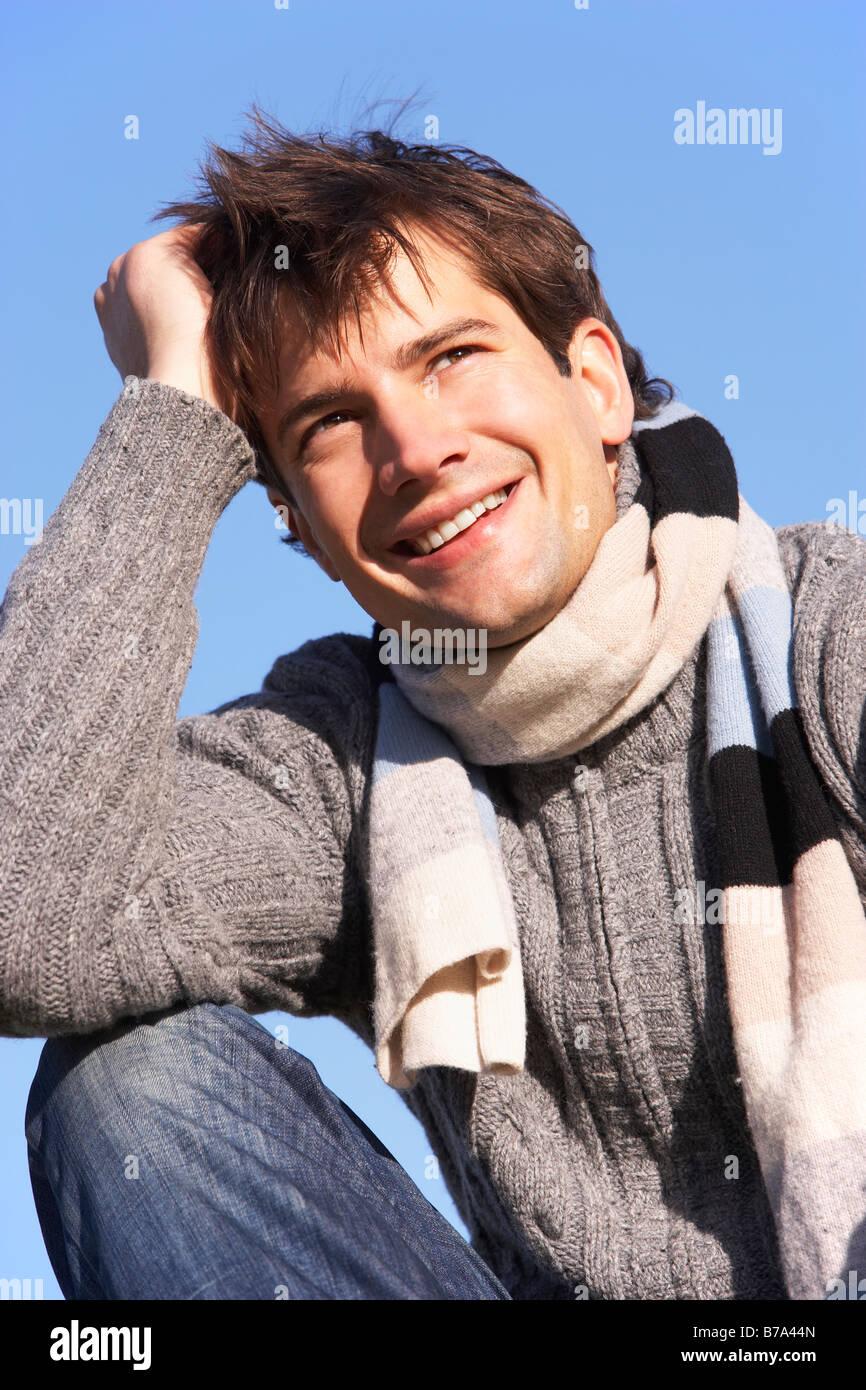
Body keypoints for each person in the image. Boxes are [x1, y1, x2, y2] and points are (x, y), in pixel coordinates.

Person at [4, 111, 865, 1302]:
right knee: (121, 1085)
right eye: (330, 424)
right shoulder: (342, 762)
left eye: (450, 356)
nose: (413, 447)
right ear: (299, 531)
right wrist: (174, 407)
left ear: (597, 382)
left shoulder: (829, 630)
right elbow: (21, 918)